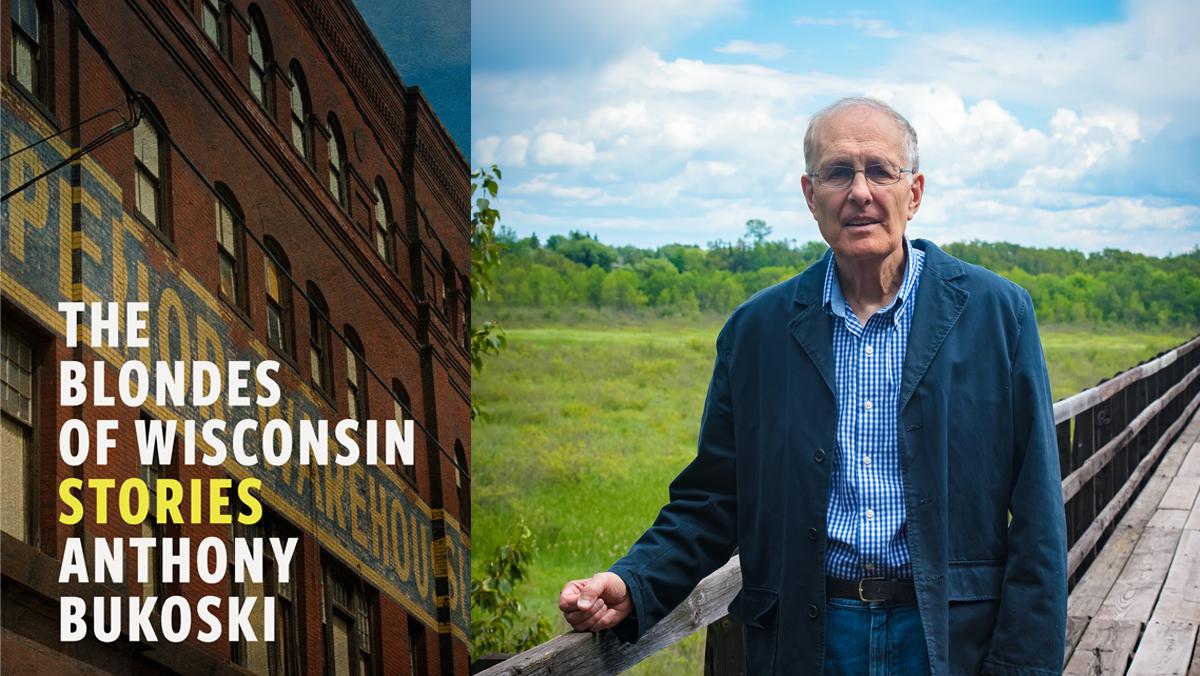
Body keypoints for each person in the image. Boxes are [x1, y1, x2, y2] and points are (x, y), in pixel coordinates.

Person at [558, 97, 1068, 675]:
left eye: (880, 170)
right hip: (811, 640)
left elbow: (1038, 517)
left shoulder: (998, 314)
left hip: (951, 639)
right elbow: (713, 498)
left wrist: (1023, 666)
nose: (860, 192)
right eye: (837, 172)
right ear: (809, 194)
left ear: (915, 192)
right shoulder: (756, 332)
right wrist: (633, 581)